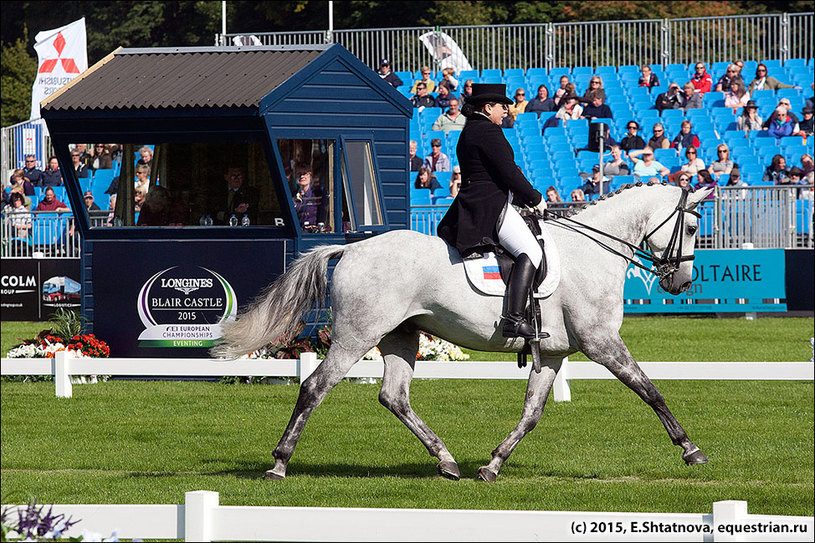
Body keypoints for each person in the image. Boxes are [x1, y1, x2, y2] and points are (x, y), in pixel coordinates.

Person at [436, 83, 547, 340]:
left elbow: (499, 173)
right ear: (488, 108)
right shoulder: (488, 131)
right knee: (531, 251)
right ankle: (514, 319)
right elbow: (508, 172)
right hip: (489, 205)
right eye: (502, 106)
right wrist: (535, 198)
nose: (507, 111)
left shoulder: (471, 130)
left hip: (478, 200)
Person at [291, 164, 322, 230]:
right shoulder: (292, 196)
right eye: (299, 174)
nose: (302, 176)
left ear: (310, 176)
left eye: (304, 173)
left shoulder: (317, 194)